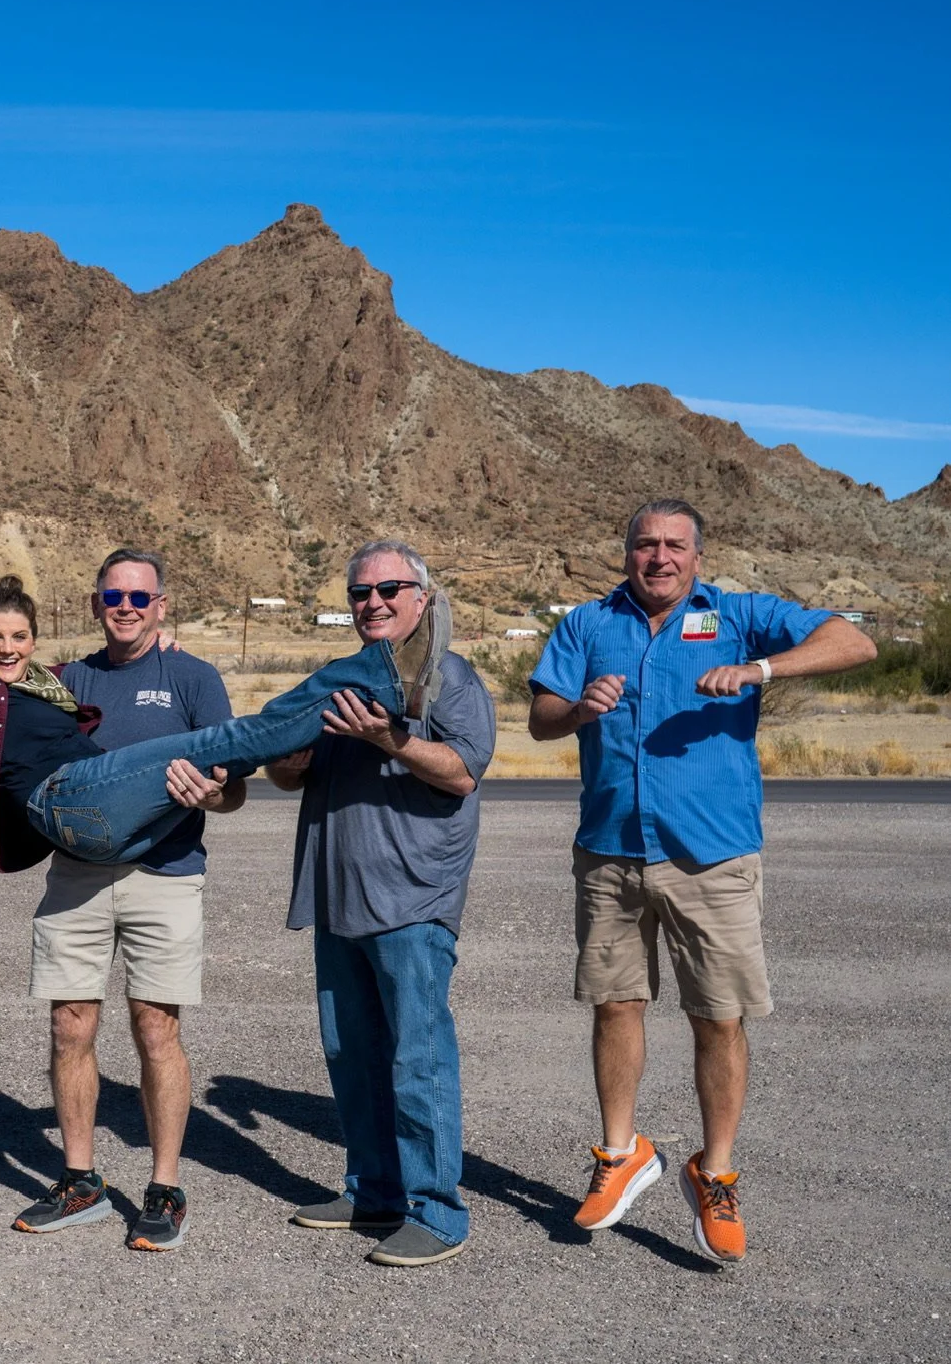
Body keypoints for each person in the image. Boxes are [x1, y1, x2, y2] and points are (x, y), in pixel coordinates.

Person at [528, 500, 876, 1263]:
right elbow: (541, 716)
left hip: (712, 856)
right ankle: (620, 1156)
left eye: (674, 546)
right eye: (646, 545)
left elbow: (854, 641)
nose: (660, 557)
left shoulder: (740, 615)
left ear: (697, 556)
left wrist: (761, 668)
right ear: (626, 554)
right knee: (615, 1005)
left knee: (719, 1017)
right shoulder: (589, 624)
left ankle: (714, 1172)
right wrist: (580, 708)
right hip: (611, 851)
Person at [0, 578, 433, 875]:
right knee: (225, 740)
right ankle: (371, 675)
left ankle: (330, 717)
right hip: (67, 798)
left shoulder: (53, 679)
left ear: (35, 639)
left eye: (18, 636)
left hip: (112, 839)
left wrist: (161, 643)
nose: (6, 648)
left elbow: (123, 653)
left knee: (214, 762)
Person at [0, 550, 243, 1251]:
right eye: (113, 596)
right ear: (97, 603)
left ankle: (164, 1188)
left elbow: (234, 788)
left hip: (167, 872)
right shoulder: (67, 680)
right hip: (75, 877)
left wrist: (212, 793)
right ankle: (80, 1182)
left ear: (162, 605)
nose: (125, 608)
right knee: (71, 1025)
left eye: (139, 597)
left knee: (156, 1028)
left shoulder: (193, 677)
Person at [266, 541, 490, 1268]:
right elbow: (287, 774)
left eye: (390, 589)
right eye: (361, 593)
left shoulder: (451, 681)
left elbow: (460, 772)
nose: (375, 603)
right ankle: (373, 1192)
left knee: (417, 1056)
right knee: (351, 1054)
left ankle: (437, 1210)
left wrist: (386, 736)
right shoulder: (338, 682)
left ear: (421, 597)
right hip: (337, 897)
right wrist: (290, 751)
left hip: (412, 899)